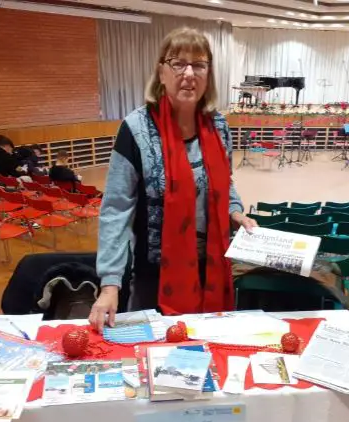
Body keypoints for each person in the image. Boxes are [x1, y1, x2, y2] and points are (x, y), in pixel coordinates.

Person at [88, 27, 256, 332]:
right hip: (157, 278)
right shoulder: (135, 129)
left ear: (209, 74)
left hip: (214, 271)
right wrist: (110, 284)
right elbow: (115, 209)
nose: (189, 73)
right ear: (161, 72)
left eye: (199, 64)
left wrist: (235, 211)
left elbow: (224, 183)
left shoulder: (218, 125)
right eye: (178, 63)